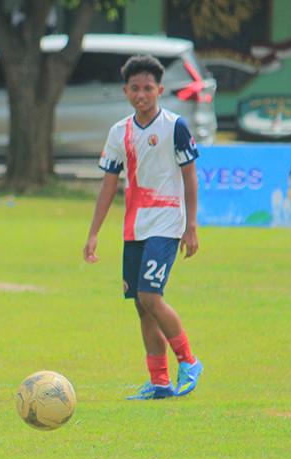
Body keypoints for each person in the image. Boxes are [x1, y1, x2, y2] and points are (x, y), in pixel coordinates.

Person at [83, 55, 203, 400]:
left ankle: (189, 360)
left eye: (148, 88)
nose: (141, 94)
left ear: (160, 90)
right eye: (135, 88)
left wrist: (191, 224)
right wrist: (94, 233)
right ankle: (160, 382)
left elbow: (190, 176)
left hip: (166, 222)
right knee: (141, 304)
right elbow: (109, 185)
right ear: (125, 91)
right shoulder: (119, 132)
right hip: (134, 226)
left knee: (152, 296)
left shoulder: (175, 126)